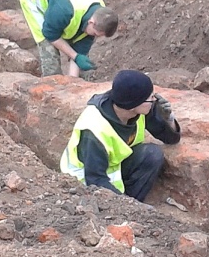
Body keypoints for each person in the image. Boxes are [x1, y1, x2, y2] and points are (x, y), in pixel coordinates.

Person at [59, 70, 181, 202]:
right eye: (150, 97)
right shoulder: (94, 129)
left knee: (152, 154)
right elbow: (95, 180)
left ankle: (135, 203)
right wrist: (124, 205)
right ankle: (128, 208)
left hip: (114, 165)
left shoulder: (141, 109)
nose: (154, 99)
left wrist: (168, 118)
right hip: (85, 179)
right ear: (132, 105)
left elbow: (171, 139)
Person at [19, 0, 119, 78]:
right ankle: (52, 86)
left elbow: (78, 53)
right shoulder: (64, 10)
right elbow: (50, 35)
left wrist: (73, 82)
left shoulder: (100, 14)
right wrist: (75, 56)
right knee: (49, 53)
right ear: (91, 22)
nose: (95, 37)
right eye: (96, 34)